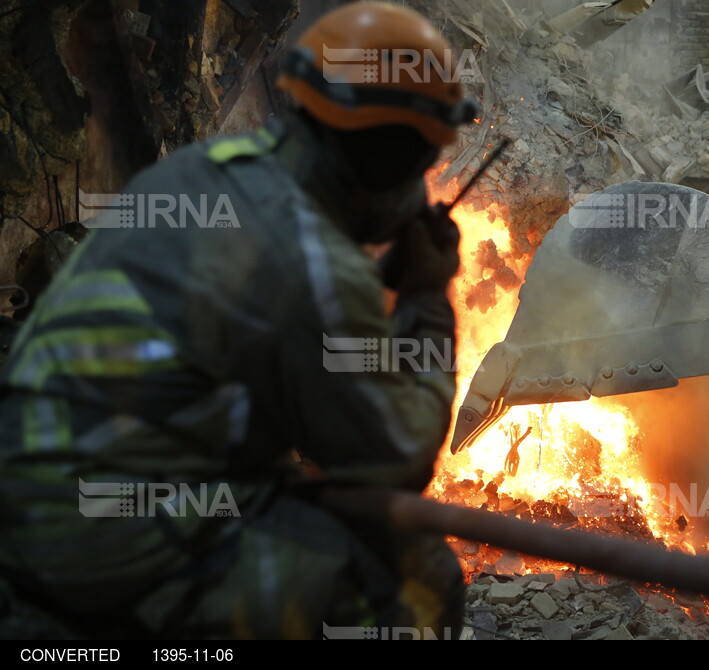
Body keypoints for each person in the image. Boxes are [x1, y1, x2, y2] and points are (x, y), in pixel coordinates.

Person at [0, 1, 476, 639]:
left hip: (29, 504)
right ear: (388, 161)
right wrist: (426, 296)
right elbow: (399, 459)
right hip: (94, 555)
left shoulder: (200, 172)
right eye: (419, 161)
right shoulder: (310, 261)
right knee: (416, 574)